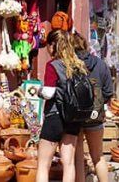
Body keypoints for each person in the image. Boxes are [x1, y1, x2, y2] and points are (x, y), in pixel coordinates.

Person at [38, 27, 85, 182]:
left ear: (53, 45)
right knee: (69, 163)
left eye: (48, 46)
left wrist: (38, 91)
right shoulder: (79, 65)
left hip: (55, 116)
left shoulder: (53, 65)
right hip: (74, 118)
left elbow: (49, 93)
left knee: (43, 165)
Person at [72, 32, 115, 182]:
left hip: (75, 116)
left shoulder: (69, 65)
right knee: (98, 156)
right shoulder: (100, 64)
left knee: (77, 156)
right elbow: (108, 92)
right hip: (95, 115)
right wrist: (99, 104)